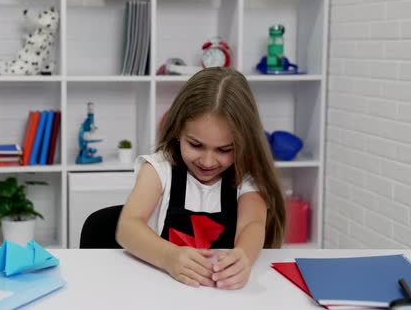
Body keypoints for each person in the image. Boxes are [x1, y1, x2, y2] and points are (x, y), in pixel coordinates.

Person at [116, 67, 286, 290]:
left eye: (225, 149)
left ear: (244, 142)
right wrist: (169, 257)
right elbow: (127, 227)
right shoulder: (159, 168)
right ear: (177, 130)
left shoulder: (246, 176)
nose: (207, 162)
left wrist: (243, 256)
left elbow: (252, 225)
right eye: (196, 145)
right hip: (162, 291)